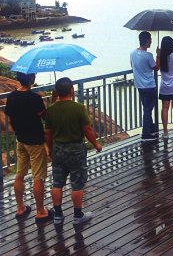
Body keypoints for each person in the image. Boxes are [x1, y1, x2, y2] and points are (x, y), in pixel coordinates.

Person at [45, 77, 102, 225]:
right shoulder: (78, 108)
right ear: (71, 90)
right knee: (77, 183)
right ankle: (78, 216)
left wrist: (50, 149)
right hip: (75, 150)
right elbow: (87, 129)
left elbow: (48, 133)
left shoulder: (51, 110)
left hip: (58, 149)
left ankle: (58, 215)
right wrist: (96, 144)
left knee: (57, 183)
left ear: (57, 92)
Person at [5, 72, 54, 223]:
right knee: (38, 177)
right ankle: (41, 212)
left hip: (21, 140)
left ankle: (21, 208)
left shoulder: (12, 97)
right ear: (31, 79)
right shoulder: (35, 98)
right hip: (35, 142)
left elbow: (11, 119)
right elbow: (44, 117)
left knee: (20, 174)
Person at [130, 31, 161, 142]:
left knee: (146, 108)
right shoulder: (148, 55)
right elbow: (156, 67)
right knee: (148, 110)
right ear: (147, 41)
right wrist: (158, 55)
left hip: (140, 86)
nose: (151, 41)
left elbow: (132, 65)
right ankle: (146, 134)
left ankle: (151, 128)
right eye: (150, 40)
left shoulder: (132, 53)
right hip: (149, 86)